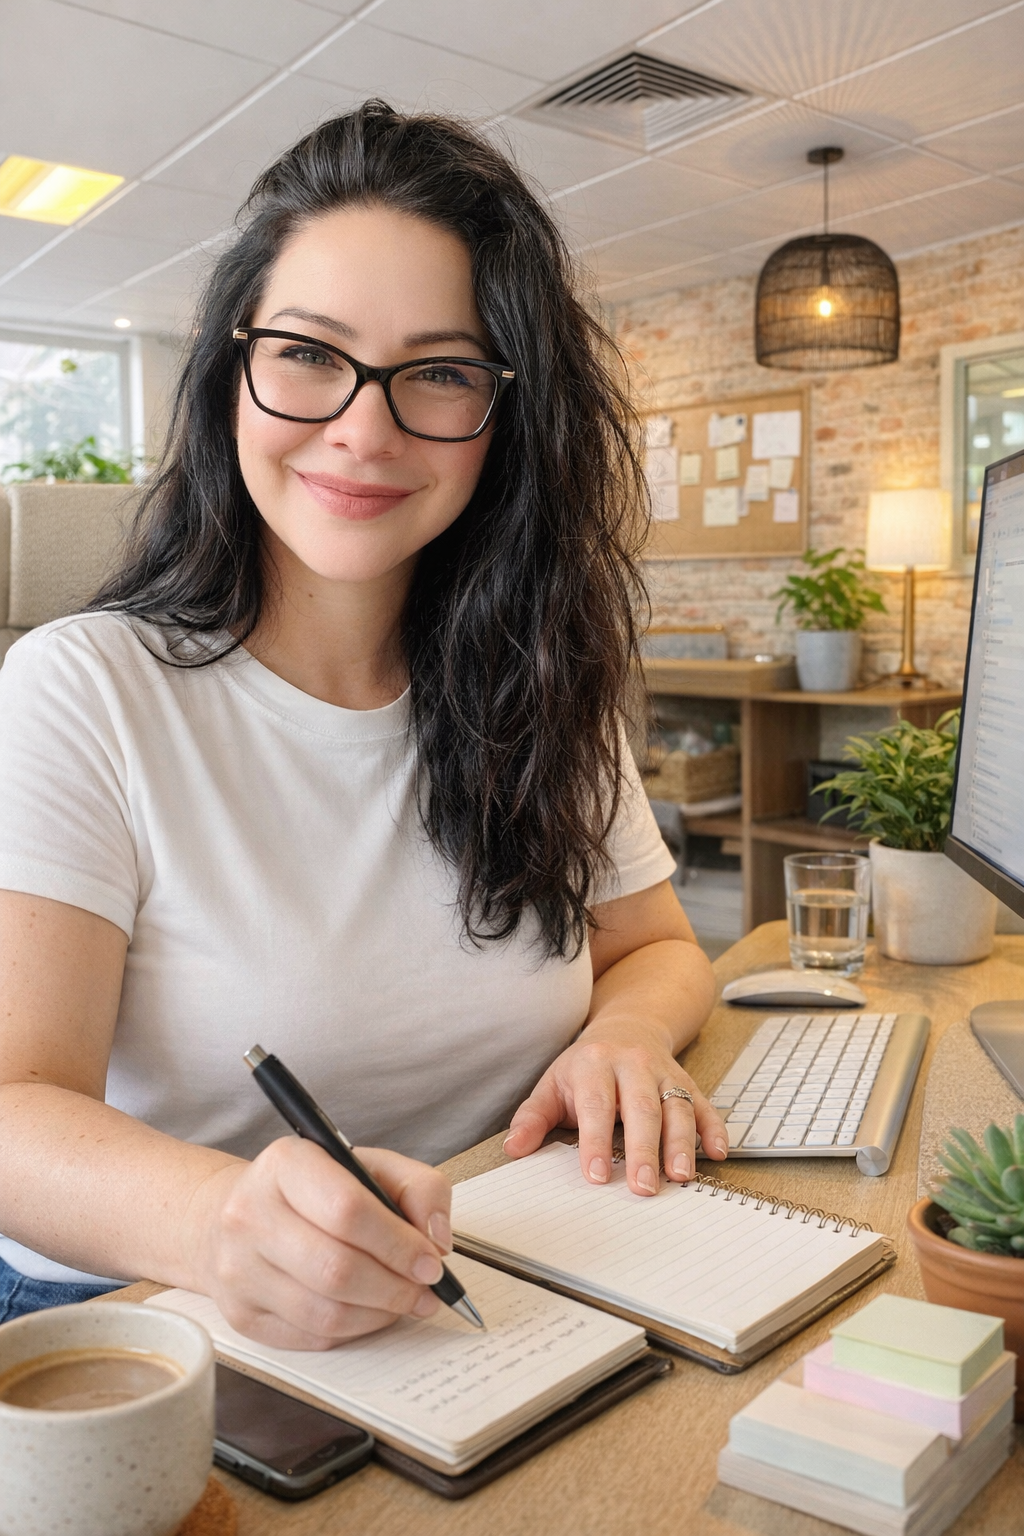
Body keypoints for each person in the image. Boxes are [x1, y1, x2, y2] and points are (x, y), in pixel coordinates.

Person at [0, 103, 726, 1345]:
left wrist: (623, 1035)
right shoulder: (84, 690)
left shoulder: (539, 676)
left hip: (510, 1277)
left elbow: (658, 947)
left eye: (440, 371)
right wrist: (226, 1218)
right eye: (307, 352)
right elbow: (14, 1107)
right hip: (147, 1322)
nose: (362, 426)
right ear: (235, 367)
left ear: (508, 418)